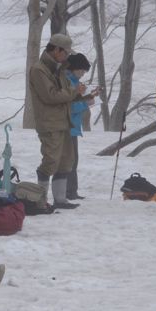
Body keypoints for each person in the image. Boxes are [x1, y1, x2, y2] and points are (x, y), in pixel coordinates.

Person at [29, 34, 98, 209]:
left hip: (65, 121)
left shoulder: (59, 69)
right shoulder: (39, 69)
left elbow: (67, 96)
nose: (67, 57)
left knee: (66, 160)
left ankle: (60, 200)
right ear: (56, 49)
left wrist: (86, 96)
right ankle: (41, 200)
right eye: (65, 53)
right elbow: (51, 96)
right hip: (49, 122)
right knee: (50, 160)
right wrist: (75, 91)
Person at [65, 53, 97, 200]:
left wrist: (88, 97)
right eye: (82, 71)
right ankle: (68, 192)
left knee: (73, 159)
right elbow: (69, 107)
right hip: (67, 126)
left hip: (73, 126)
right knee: (69, 160)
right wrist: (85, 103)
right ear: (75, 68)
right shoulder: (68, 82)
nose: (83, 74)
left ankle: (72, 191)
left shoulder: (75, 83)